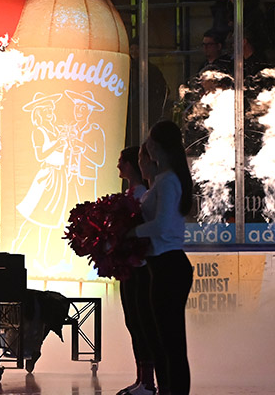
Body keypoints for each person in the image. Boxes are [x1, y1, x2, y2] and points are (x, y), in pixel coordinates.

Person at [131, 121, 194, 395]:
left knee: (171, 343)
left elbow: (162, 225)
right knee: (164, 340)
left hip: (169, 266)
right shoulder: (166, 179)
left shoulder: (168, 181)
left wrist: (129, 233)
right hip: (163, 265)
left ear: (157, 146)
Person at [116, 147, 155, 395]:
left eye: (122, 161)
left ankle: (148, 383)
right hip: (128, 268)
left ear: (131, 165)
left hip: (140, 269)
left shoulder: (142, 196)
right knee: (133, 323)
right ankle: (142, 379)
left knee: (142, 324)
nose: (118, 166)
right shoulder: (131, 194)